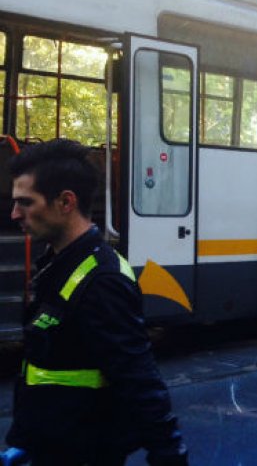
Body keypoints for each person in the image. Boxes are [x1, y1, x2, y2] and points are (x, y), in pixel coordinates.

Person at [5, 139, 187, 465]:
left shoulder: (103, 280)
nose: (14, 213)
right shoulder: (56, 263)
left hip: (85, 454)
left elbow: (139, 379)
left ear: (65, 202)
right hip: (51, 447)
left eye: (25, 202)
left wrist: (169, 456)